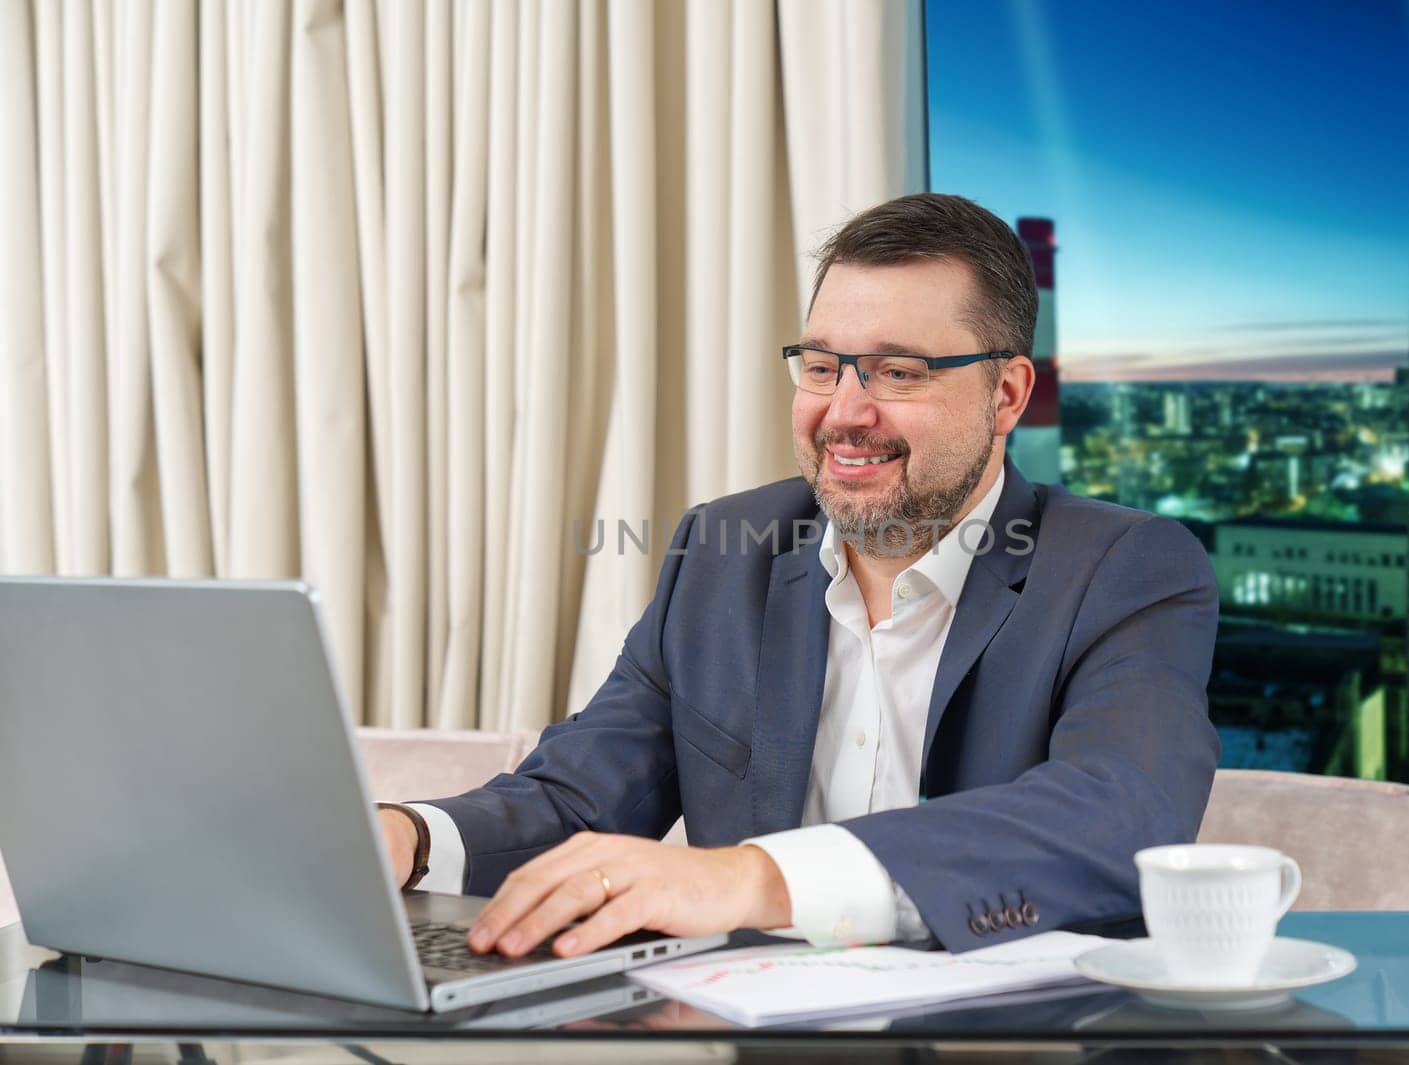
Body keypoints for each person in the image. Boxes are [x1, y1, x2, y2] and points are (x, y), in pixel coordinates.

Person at [377, 192, 1220, 962]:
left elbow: (1119, 817)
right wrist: (410, 834)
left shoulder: (1127, 569)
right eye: (821, 366)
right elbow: (580, 794)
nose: (845, 412)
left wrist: (756, 879)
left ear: (1006, 396)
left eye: (899, 372)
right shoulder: (721, 551)